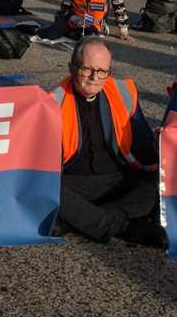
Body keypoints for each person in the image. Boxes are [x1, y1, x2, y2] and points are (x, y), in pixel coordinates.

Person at [48, 36, 167, 248]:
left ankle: (78, 220)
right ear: (71, 67)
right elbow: (44, 167)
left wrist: (159, 145)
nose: (94, 77)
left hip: (115, 178)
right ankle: (125, 228)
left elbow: (142, 148)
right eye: (87, 69)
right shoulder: (52, 102)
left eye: (102, 71)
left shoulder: (123, 93)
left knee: (154, 182)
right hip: (74, 182)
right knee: (46, 188)